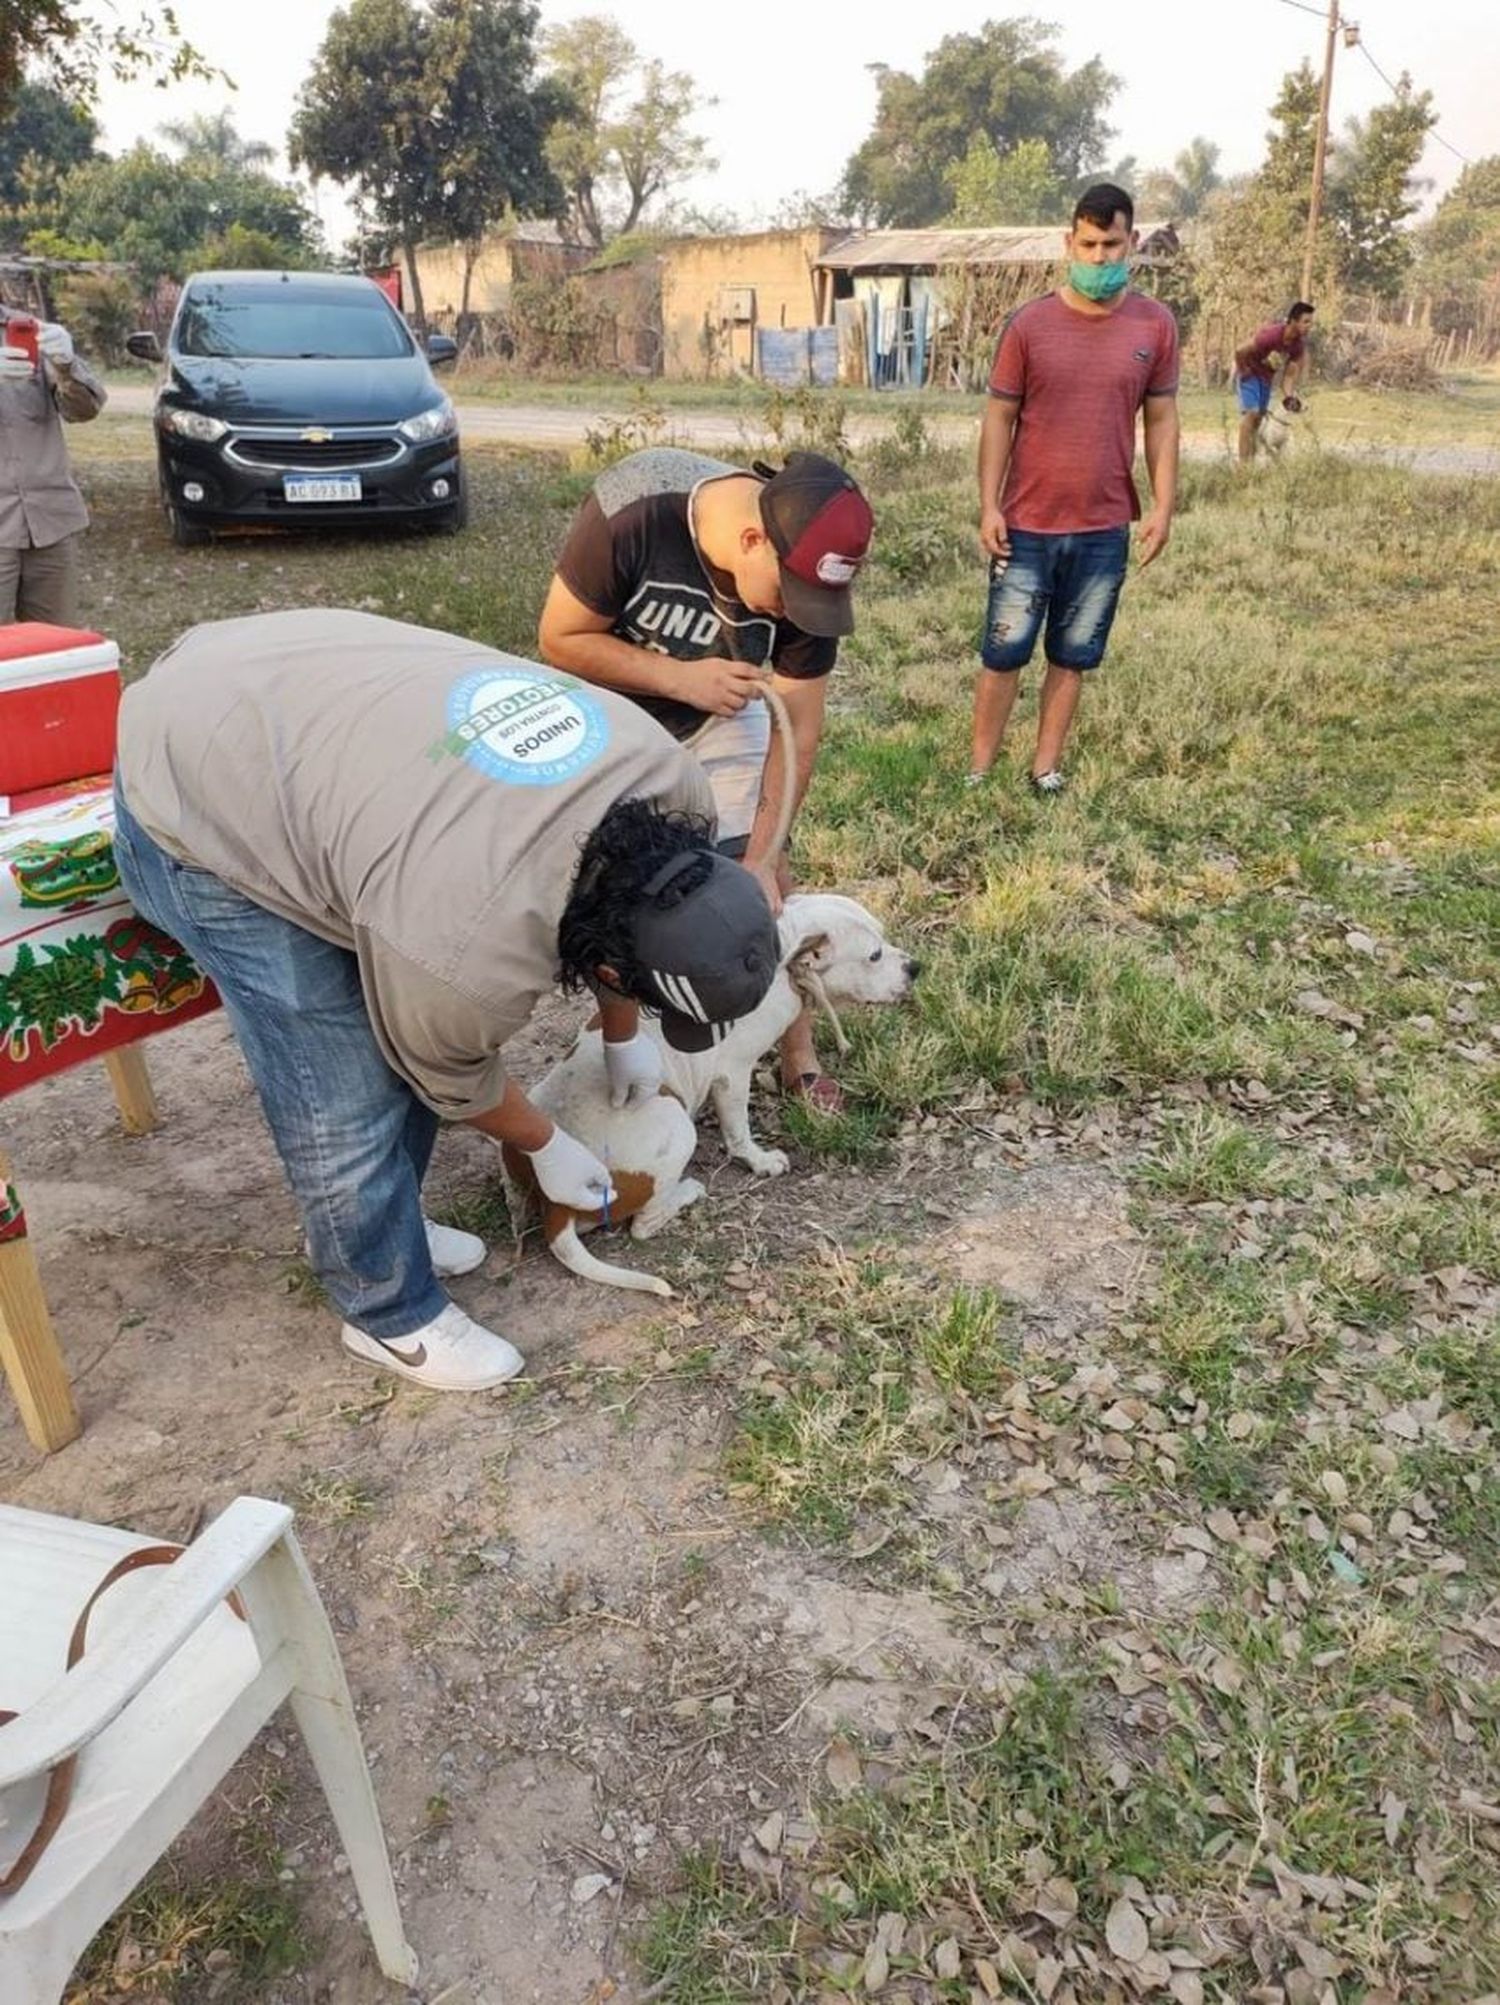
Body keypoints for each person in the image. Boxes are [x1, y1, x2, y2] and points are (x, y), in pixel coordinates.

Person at [112, 609, 780, 1393]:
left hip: (294, 688)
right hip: (195, 774)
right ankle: (384, 1310)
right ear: (610, 958)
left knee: (397, 1013)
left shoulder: (675, 793)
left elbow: (621, 918)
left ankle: (389, 1224)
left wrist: (621, 1028)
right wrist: (546, 1141)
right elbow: (446, 1070)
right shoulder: (466, 953)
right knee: (343, 1078)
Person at [538, 446, 874, 1112]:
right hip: (615, 713)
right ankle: (620, 1039)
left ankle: (795, 1051)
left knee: (767, 887)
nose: (798, 614)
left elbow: (797, 728)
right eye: (787, 595)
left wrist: (761, 856)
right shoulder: (634, 510)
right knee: (620, 890)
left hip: (725, 712)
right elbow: (561, 638)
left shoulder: (810, 569)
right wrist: (679, 677)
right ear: (752, 539)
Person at [968, 182, 1180, 797]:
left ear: (1132, 242)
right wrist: (989, 504)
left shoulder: (1155, 325)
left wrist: (1164, 505)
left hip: (1102, 528)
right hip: (1026, 524)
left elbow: (1161, 420)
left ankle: (1045, 769)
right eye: (1087, 245)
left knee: (1073, 652)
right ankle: (979, 770)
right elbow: (999, 418)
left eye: (1111, 244)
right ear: (1069, 243)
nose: (1098, 258)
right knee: (1003, 652)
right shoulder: (1029, 325)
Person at [0, 315, 106, 624]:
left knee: (54, 651)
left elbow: (84, 411)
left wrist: (66, 365)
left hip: (50, 523)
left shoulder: (26, 329)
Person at [1235, 301, 1314, 463]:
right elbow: (1240, 350)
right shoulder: (1271, 335)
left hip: (1265, 379)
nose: (1309, 326)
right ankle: (1243, 469)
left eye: (1310, 322)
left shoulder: (1297, 347)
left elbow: (1289, 377)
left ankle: (1251, 463)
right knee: (1252, 414)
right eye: (1305, 321)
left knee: (1258, 421)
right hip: (1249, 374)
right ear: (1293, 321)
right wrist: (1244, 371)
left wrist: (1290, 397)